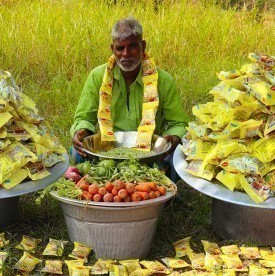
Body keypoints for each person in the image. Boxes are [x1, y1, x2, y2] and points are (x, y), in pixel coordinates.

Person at [70, 17, 188, 179]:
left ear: (143, 46)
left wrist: (172, 138)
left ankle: (167, 193)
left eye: (132, 46)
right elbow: (83, 117)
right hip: (107, 153)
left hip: (149, 154)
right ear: (113, 49)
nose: (126, 54)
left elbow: (178, 123)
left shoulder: (163, 80)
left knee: (178, 153)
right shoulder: (98, 77)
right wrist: (81, 131)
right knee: (76, 153)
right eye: (120, 48)